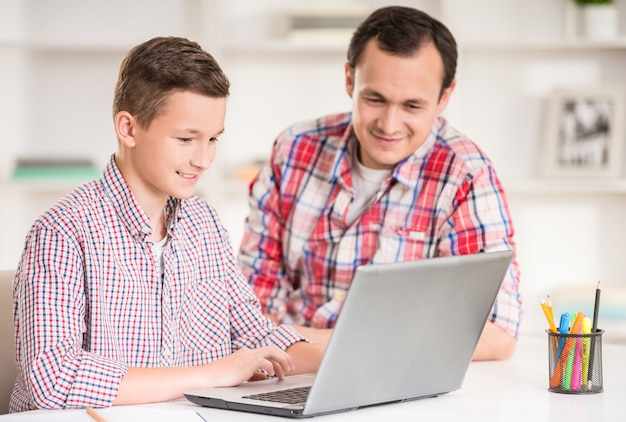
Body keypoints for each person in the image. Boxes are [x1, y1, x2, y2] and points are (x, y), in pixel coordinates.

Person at [10, 36, 325, 413]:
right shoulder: (62, 231)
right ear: (128, 129)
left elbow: (256, 338)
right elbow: (54, 379)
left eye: (212, 139)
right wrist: (211, 374)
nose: (204, 159)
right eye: (186, 139)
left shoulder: (204, 223)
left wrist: (355, 349)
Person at [238, 6, 522, 360]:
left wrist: (308, 347)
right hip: (278, 376)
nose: (389, 125)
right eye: (375, 99)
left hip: (383, 384)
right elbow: (249, 302)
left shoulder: (465, 174)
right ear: (349, 80)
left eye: (412, 106)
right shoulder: (294, 148)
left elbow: (496, 333)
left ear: (444, 97)